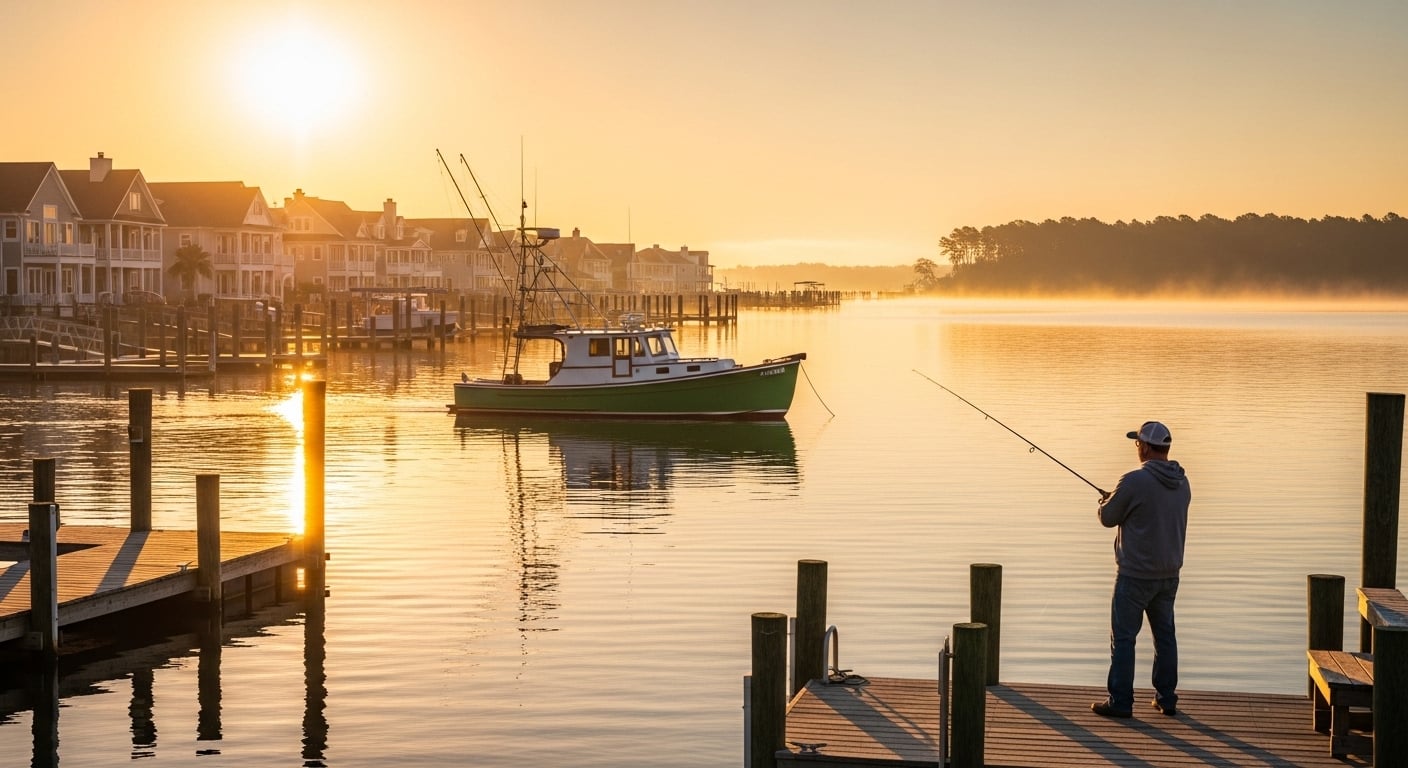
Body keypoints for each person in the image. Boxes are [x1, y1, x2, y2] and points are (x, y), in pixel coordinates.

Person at [1090, 421, 1191, 719]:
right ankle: (1166, 698)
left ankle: (1121, 702)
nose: (1137, 449)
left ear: (1145, 447)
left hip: (1134, 576)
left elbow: (1108, 517)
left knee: (1123, 639)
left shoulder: (1134, 481)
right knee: (1165, 637)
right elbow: (1151, 510)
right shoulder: (1182, 481)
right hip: (1169, 575)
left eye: (1138, 444)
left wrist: (1105, 501)